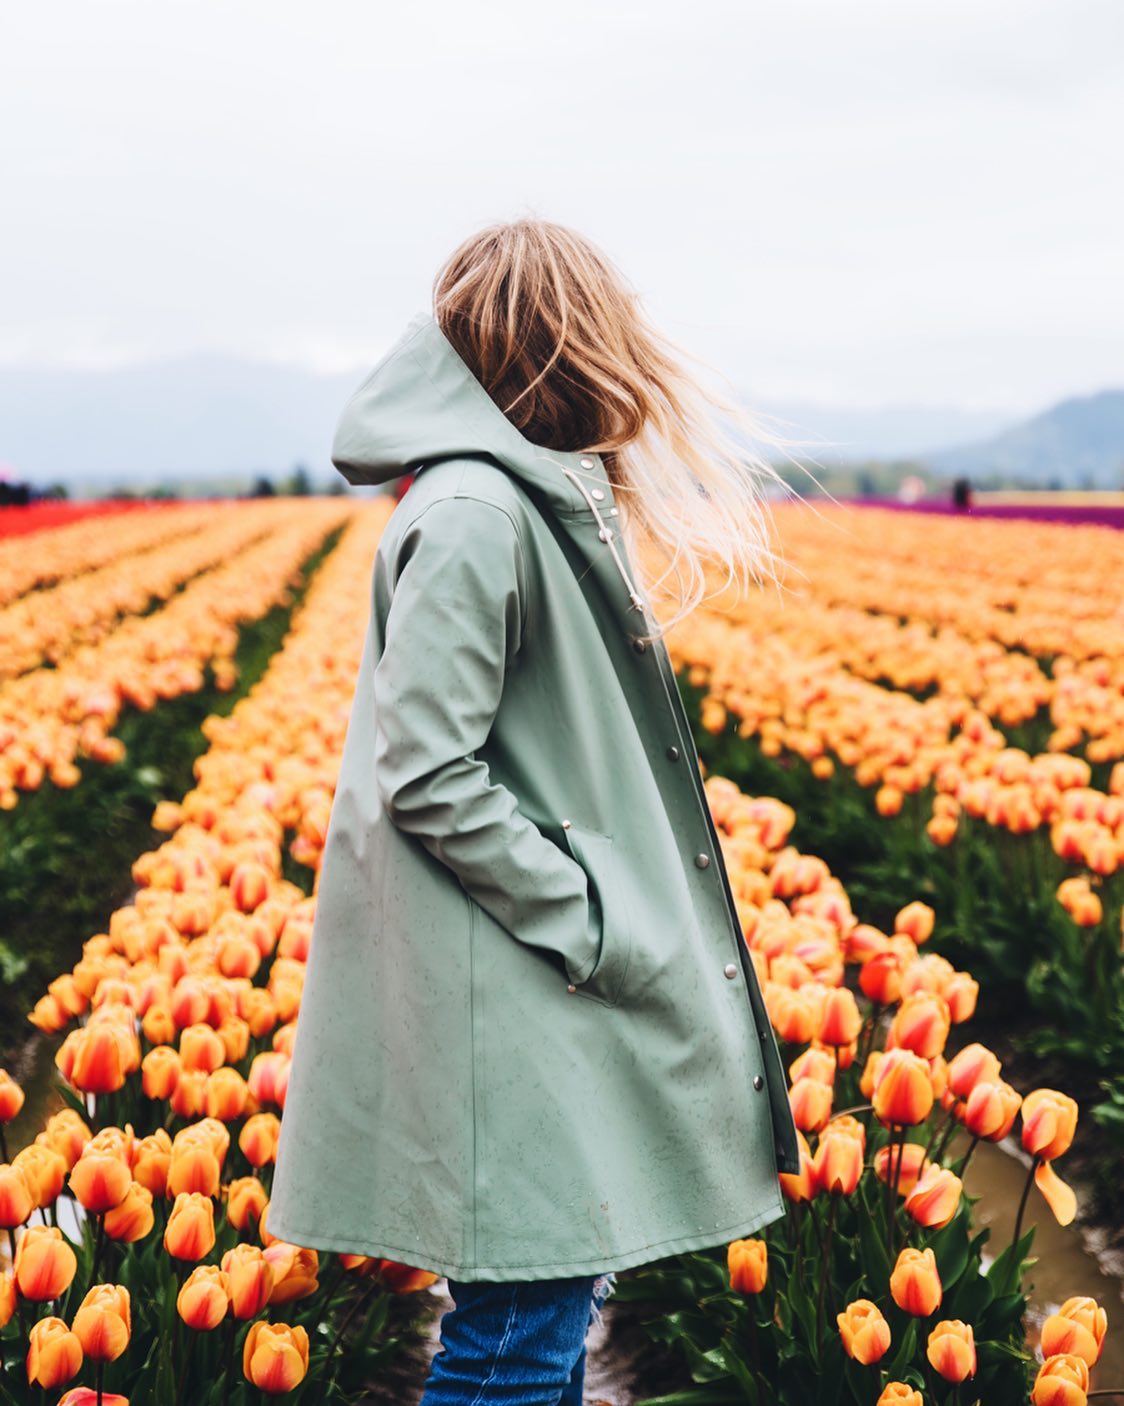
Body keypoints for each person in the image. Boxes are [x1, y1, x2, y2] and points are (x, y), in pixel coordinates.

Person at [266, 217, 801, 1405]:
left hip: (523, 995)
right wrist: (591, 912)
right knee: (514, 1344)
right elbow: (428, 772)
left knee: (541, 1319)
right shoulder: (476, 515)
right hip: (515, 997)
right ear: (565, 350)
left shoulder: (501, 501)